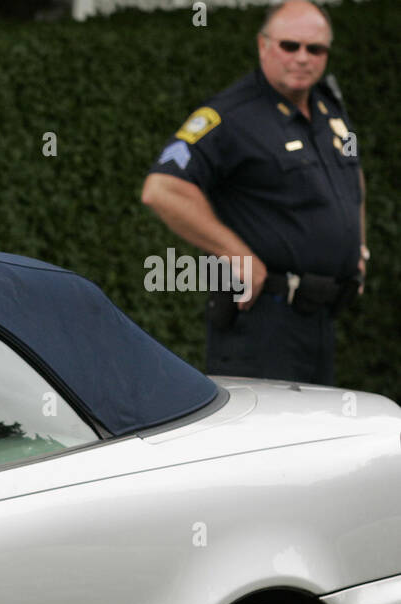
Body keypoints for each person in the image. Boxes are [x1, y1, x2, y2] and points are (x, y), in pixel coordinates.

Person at [141, 0, 366, 385]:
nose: (302, 57)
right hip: (262, 322)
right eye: (289, 45)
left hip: (320, 319)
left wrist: (358, 246)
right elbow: (163, 189)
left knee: (316, 441)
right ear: (263, 45)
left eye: (315, 49)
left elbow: (353, 177)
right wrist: (236, 253)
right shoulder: (231, 115)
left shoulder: (331, 111)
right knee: (273, 442)